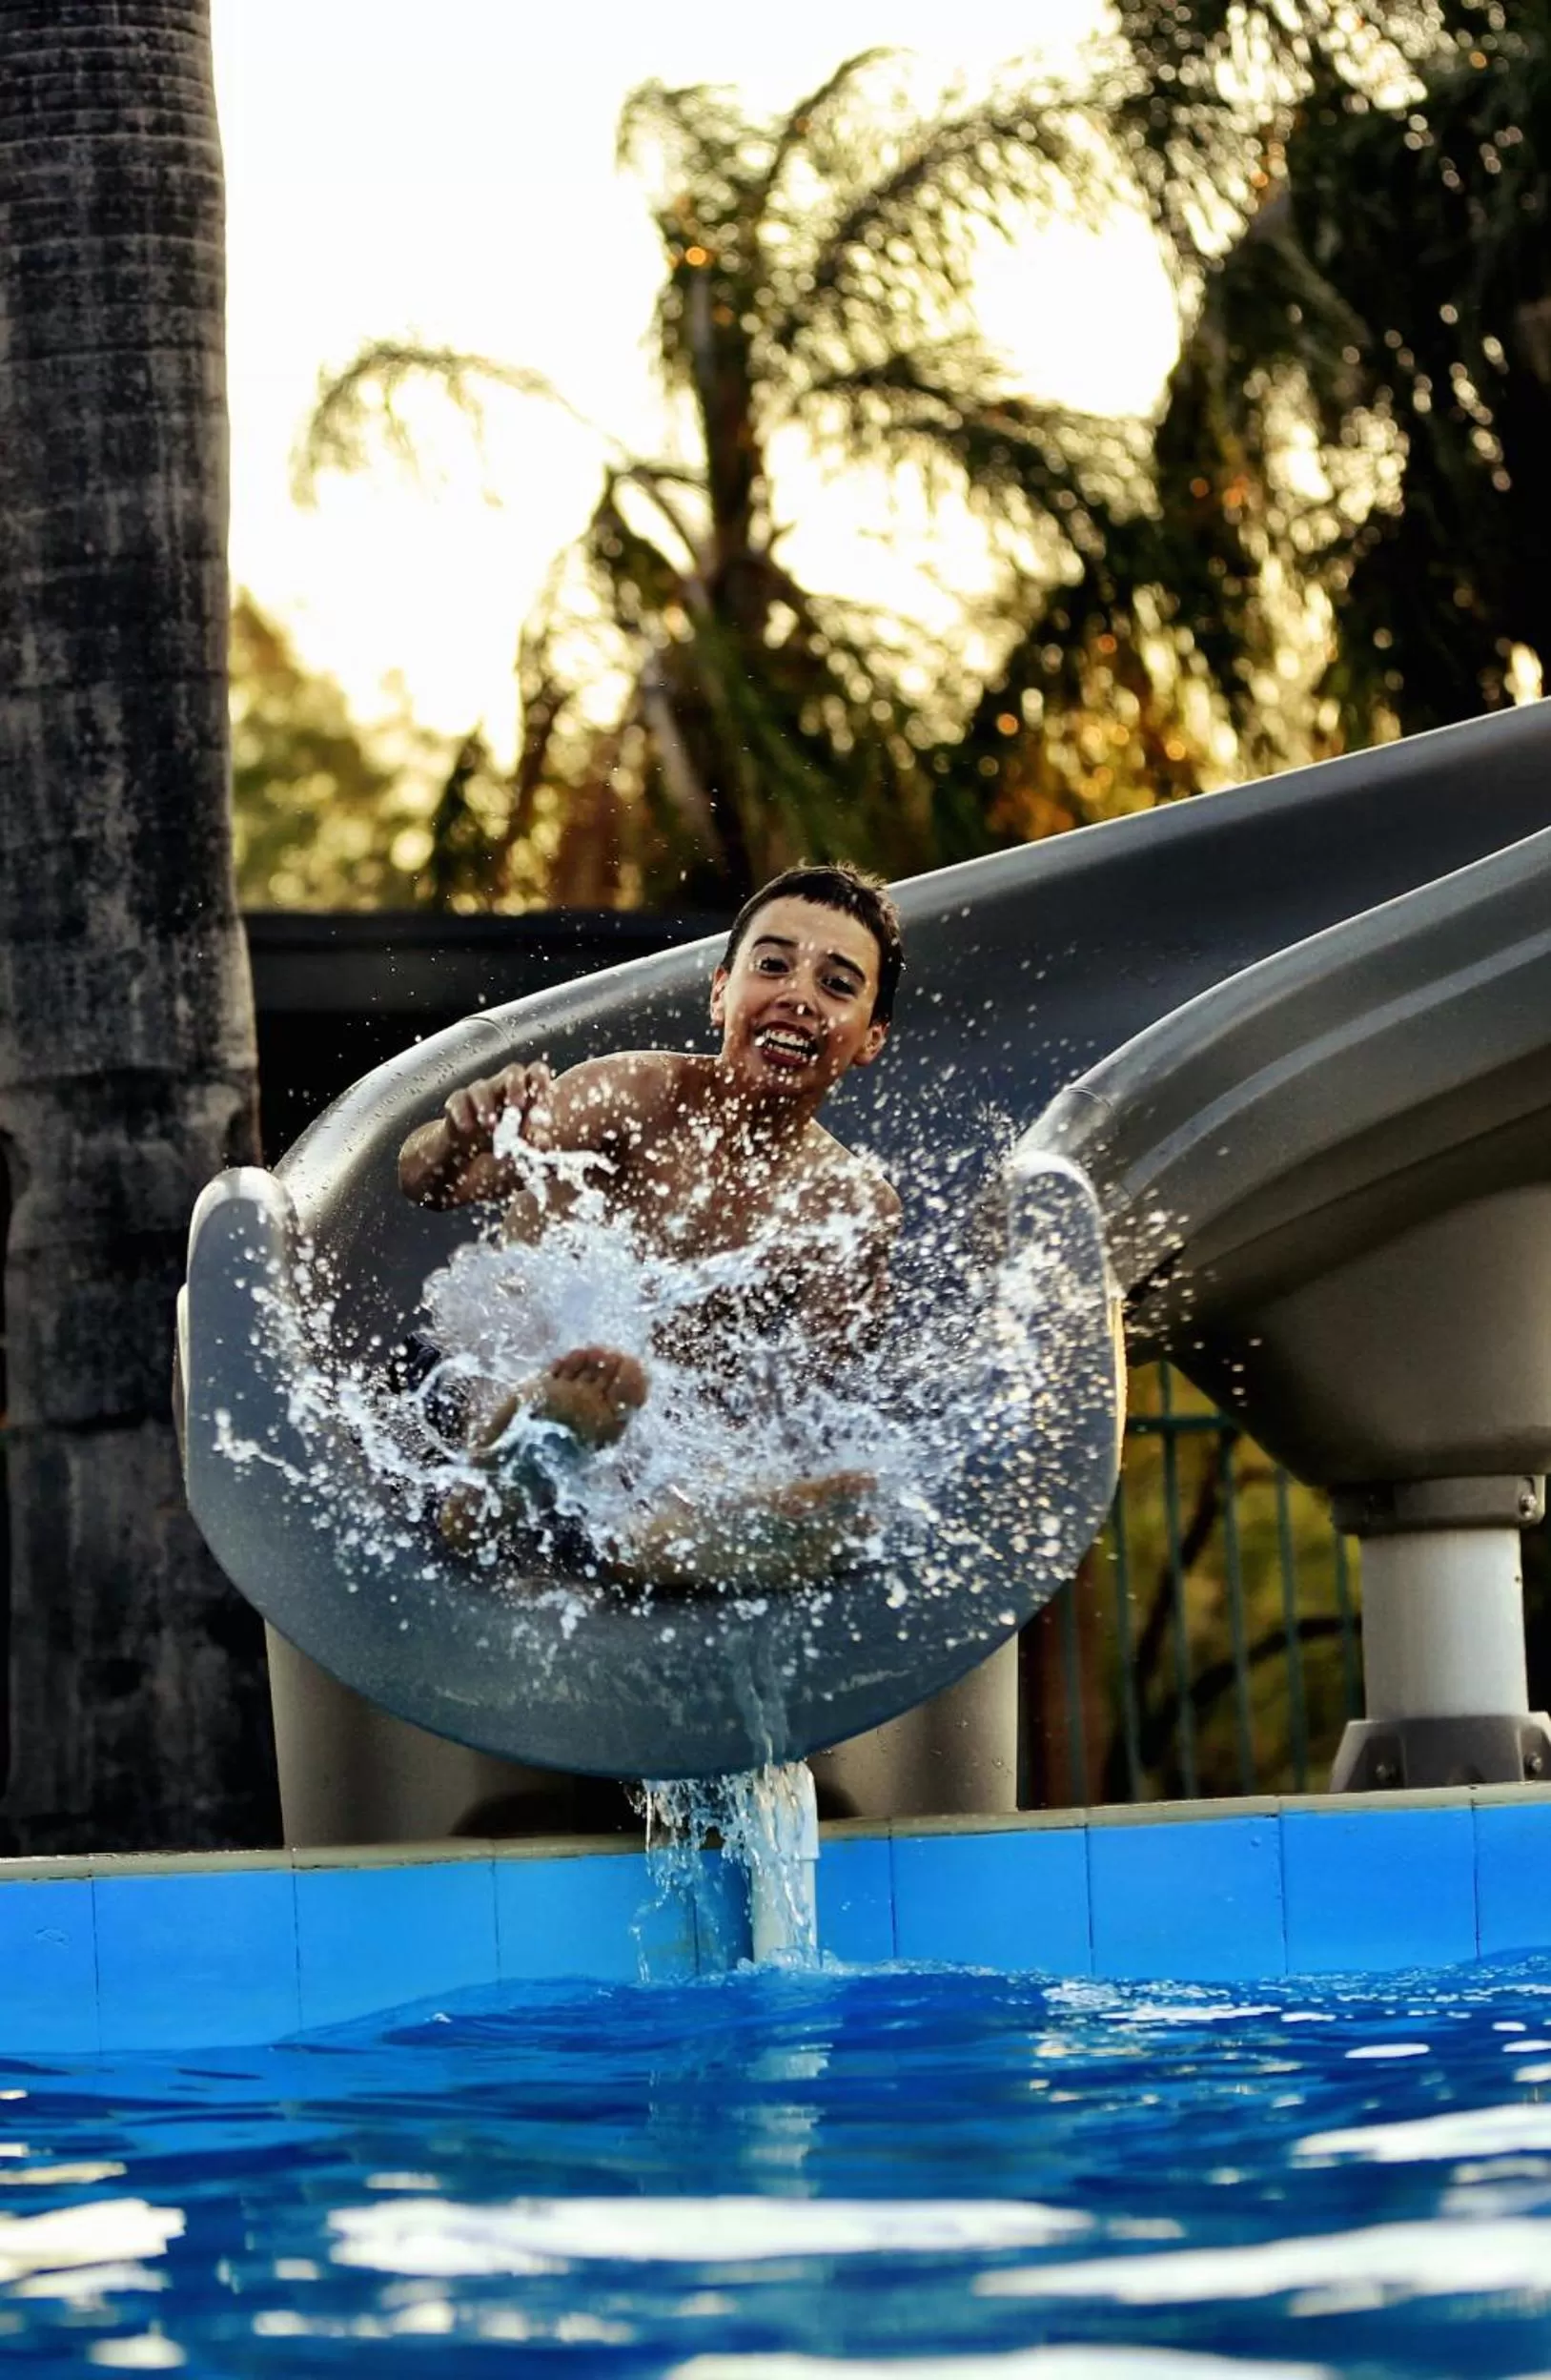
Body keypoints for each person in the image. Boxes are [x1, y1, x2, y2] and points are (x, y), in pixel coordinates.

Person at [397, 862, 905, 1581]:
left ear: (869, 1038)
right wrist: (460, 1132)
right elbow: (430, 1183)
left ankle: (647, 1542)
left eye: (837, 984)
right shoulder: (633, 1095)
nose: (797, 996)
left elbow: (804, 1405)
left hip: (636, 1448)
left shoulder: (849, 1205)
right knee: (539, 1385)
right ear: (721, 990)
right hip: (477, 1390)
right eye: (772, 965)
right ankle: (503, 1480)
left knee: (798, 1492)